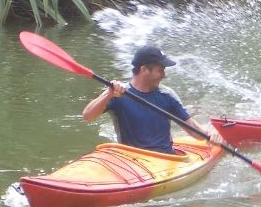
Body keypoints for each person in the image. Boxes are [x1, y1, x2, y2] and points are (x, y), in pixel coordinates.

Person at [82, 44, 225, 153]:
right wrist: (108, 95)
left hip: (165, 159)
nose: (164, 75)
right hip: (130, 159)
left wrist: (210, 135)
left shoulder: (167, 95)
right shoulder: (117, 93)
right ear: (144, 70)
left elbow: (192, 129)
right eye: (160, 70)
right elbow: (87, 116)